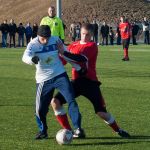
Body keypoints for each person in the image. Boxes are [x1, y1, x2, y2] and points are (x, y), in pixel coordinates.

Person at [51, 23, 130, 138]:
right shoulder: (73, 45)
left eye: (87, 35)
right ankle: (70, 131)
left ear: (92, 35)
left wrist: (63, 52)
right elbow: (63, 61)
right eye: (83, 34)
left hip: (90, 82)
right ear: (80, 33)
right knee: (55, 102)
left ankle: (118, 130)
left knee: (101, 112)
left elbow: (80, 59)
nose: (84, 37)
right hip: (76, 82)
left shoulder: (92, 46)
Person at [22, 25, 87, 140]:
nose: (46, 40)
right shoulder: (33, 44)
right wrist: (32, 60)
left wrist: (77, 68)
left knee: (71, 100)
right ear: (38, 36)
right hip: (43, 80)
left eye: (48, 37)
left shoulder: (55, 39)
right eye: (43, 38)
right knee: (40, 109)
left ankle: (78, 128)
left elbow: (65, 54)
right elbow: (25, 57)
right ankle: (43, 131)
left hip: (60, 75)